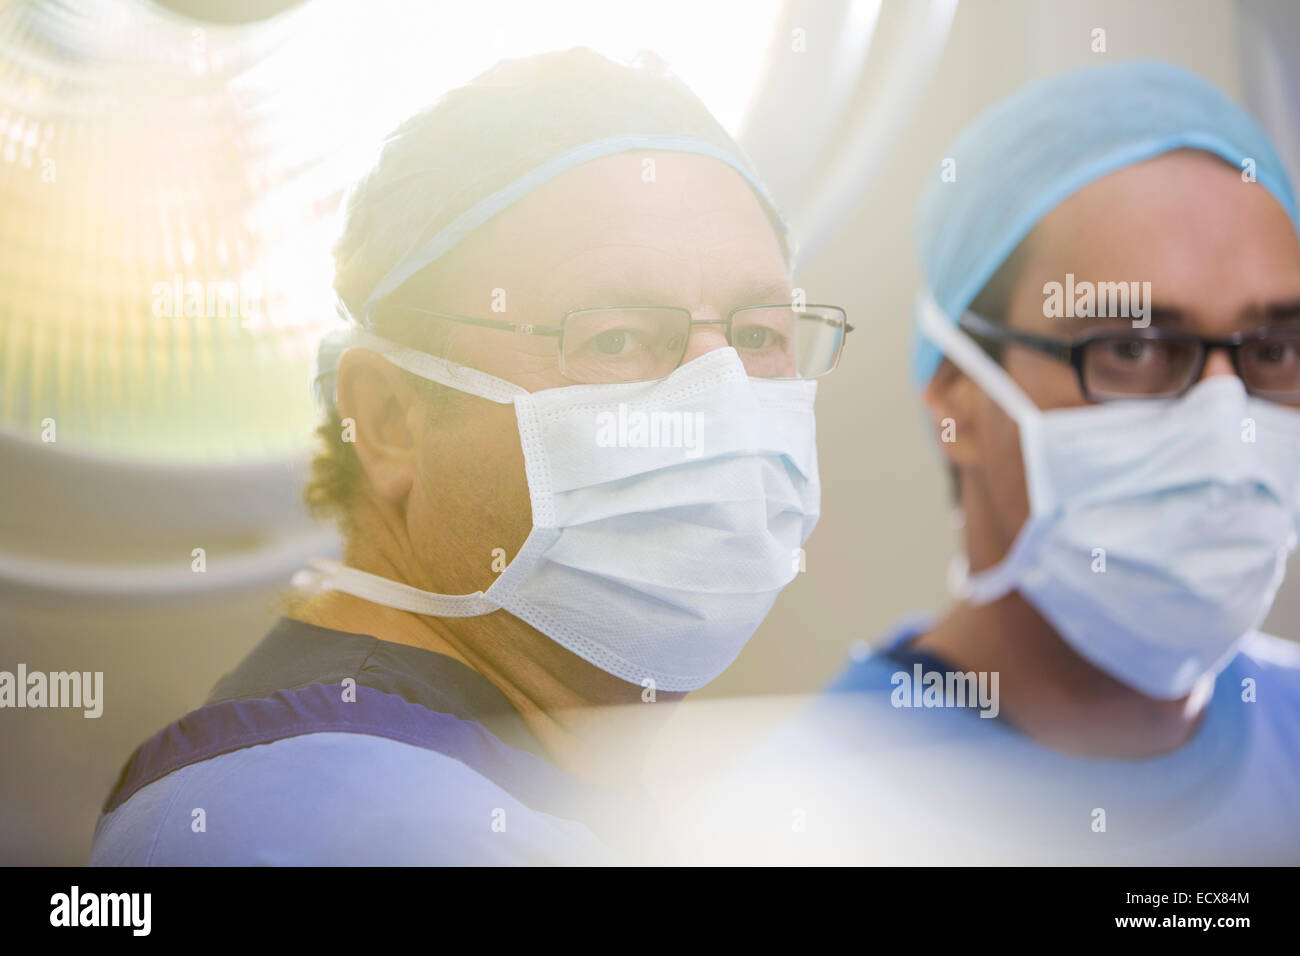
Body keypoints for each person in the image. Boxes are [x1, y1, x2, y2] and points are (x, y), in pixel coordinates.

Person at [87, 47, 848, 865]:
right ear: (387, 421)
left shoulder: (527, 796)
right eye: (617, 337)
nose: (721, 398)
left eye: (760, 334)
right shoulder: (311, 819)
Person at [678, 59, 1300, 866]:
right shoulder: (794, 825)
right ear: (958, 401)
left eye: (1277, 350)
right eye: (1131, 348)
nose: (1229, 418)